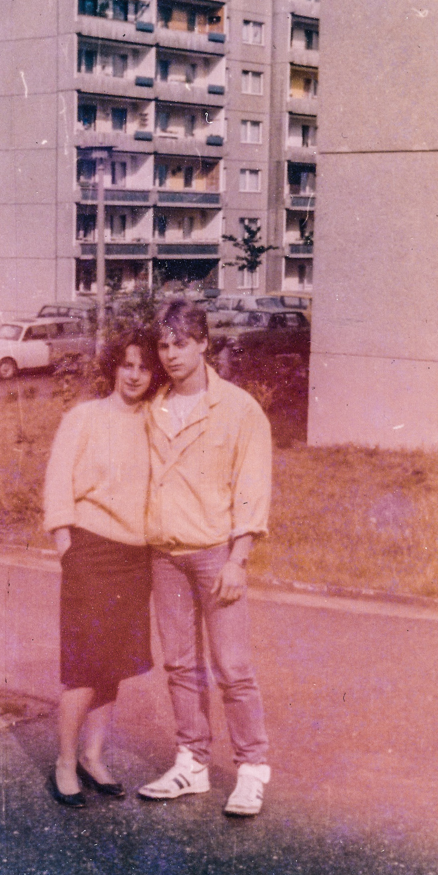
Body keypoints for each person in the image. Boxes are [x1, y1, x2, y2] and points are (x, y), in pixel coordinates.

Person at [138, 298, 273, 817]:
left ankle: (252, 770)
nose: (170, 354)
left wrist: (239, 559)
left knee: (232, 668)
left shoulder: (239, 409)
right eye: (163, 345)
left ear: (203, 344)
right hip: (164, 556)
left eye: (181, 344)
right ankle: (191, 763)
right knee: (179, 664)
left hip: (216, 554)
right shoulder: (153, 407)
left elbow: (252, 489)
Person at [43, 326, 162, 807]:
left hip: (135, 557)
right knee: (84, 666)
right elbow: (57, 483)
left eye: (144, 367)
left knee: (113, 663)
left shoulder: (155, 422)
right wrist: (65, 544)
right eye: (126, 365)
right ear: (114, 366)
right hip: (90, 552)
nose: (134, 375)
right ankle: (64, 762)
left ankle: (93, 757)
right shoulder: (84, 417)